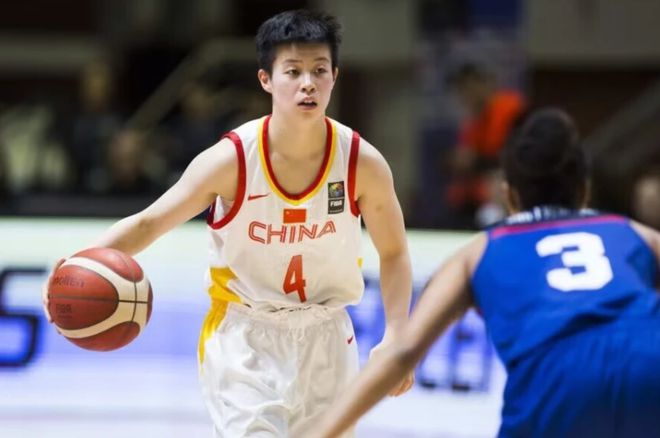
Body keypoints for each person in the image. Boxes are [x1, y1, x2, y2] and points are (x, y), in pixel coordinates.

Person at [43, 9, 413, 437]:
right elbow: (150, 223)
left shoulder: (362, 163)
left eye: (319, 70)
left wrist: (397, 333)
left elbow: (394, 251)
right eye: (293, 71)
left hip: (328, 337)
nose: (308, 83)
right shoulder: (231, 160)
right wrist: (77, 265)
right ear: (266, 79)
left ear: (335, 77)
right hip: (246, 339)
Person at [312, 108, 660, 438]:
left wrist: (321, 431)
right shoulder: (634, 233)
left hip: (557, 378)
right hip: (650, 364)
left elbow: (404, 351)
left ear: (509, 195)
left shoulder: (480, 251)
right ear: (584, 189)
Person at [445, 62, 527, 227]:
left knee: (496, 185)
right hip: (483, 181)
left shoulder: (512, 109)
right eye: (462, 91)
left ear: (485, 83)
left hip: (511, 179)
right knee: (457, 193)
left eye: (470, 88)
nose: (467, 95)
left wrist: (476, 159)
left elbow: (520, 154)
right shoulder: (472, 122)